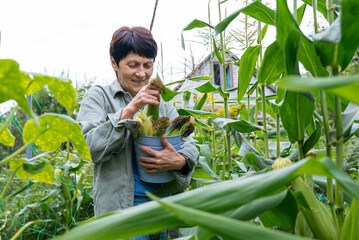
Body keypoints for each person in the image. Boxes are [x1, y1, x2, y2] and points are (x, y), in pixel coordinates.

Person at [77, 26, 199, 239]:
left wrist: (179, 161)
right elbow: (88, 148)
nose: (141, 73)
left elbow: (188, 145)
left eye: (147, 65)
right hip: (122, 216)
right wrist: (129, 110)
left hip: (164, 209)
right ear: (114, 63)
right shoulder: (98, 97)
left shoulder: (164, 105)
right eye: (132, 65)